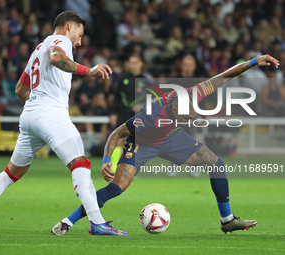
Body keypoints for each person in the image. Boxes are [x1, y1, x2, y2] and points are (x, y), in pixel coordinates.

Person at [52, 54, 279, 235]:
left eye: (192, 114)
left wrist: (253, 62)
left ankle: (227, 220)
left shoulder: (195, 93)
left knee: (216, 164)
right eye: (186, 115)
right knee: (116, 188)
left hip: (171, 138)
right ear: (173, 108)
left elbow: (225, 75)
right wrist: (105, 159)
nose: (190, 117)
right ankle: (68, 221)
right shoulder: (149, 115)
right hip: (142, 142)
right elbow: (117, 134)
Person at [0, 11, 128, 236]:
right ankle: (97, 222)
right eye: (80, 33)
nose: (79, 40)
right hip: (51, 114)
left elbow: (21, 90)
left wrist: (35, 110)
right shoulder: (61, 41)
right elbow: (57, 58)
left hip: (30, 116)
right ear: (69, 26)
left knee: (11, 172)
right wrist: (89, 71)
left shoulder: (38, 49)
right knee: (81, 164)